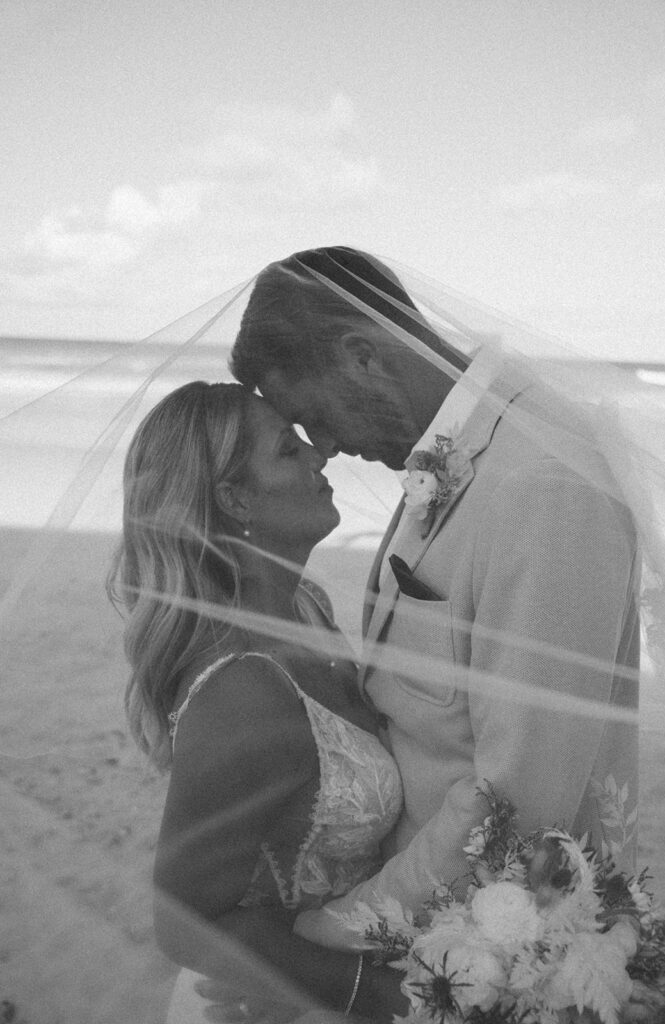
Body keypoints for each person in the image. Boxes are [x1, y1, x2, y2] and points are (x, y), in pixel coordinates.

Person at [230, 246, 643, 950]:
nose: (323, 448)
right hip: (426, 914)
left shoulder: (543, 484)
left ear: (363, 357)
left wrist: (333, 930)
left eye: (315, 417)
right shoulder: (459, 449)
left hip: (496, 941)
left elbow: (518, 800)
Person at [107, 380, 409, 1022]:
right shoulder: (244, 687)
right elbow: (184, 921)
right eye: (287, 450)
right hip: (277, 1000)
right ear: (236, 498)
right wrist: (371, 993)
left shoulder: (307, 610)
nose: (317, 458)